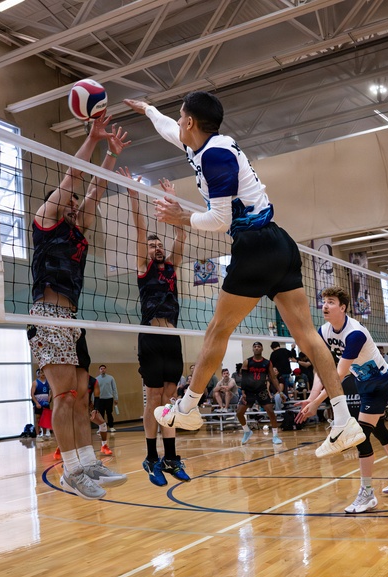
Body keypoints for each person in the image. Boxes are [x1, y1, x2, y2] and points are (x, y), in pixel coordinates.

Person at [123, 92, 363, 455]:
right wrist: (148, 110)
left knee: (218, 330)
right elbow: (169, 130)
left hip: (253, 246)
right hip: (279, 243)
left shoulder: (215, 156)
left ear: (190, 122)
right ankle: (343, 419)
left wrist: (180, 218)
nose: (177, 123)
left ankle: (187, 409)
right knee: (308, 335)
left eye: (180, 116)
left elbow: (219, 220)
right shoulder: (201, 142)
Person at [28, 115, 129, 499]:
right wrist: (92, 139)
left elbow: (96, 189)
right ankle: (72, 470)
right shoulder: (46, 221)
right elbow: (73, 176)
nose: (74, 201)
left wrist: (110, 158)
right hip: (47, 315)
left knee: (82, 396)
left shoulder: (78, 228)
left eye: (74, 200)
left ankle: (88, 462)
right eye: (70, 197)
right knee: (64, 397)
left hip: (72, 319)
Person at [297, 287, 388, 513]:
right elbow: (322, 368)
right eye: (324, 302)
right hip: (363, 382)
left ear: (343, 307)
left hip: (379, 383)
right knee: (378, 429)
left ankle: (367, 493)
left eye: (331, 302)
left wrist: (318, 403)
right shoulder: (324, 331)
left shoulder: (355, 334)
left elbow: (338, 375)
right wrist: (311, 398)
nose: (325, 306)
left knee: (360, 435)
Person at [124, 172, 190, 487]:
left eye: (158, 244)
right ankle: (151, 457)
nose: (156, 248)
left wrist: (173, 200)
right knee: (153, 398)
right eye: (152, 246)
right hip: (150, 336)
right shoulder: (143, 268)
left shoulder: (172, 267)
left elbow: (182, 234)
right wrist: (134, 197)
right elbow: (138, 230)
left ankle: (171, 458)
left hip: (172, 338)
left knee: (169, 398)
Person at [236, 342, 284, 447]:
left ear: (262, 349)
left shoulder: (267, 363)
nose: (257, 348)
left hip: (261, 390)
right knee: (239, 413)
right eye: (255, 346)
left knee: (271, 412)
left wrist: (280, 392)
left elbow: (273, 378)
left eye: (259, 346)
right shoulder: (247, 362)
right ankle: (247, 431)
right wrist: (243, 391)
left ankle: (275, 436)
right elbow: (243, 378)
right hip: (249, 391)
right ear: (252, 349)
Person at [93, 364, 118, 433]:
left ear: (105, 369)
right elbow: (94, 390)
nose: (103, 370)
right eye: (101, 369)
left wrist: (116, 398)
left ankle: (111, 427)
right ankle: (101, 428)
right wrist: (94, 400)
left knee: (109, 413)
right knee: (101, 414)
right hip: (100, 399)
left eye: (104, 368)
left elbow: (114, 388)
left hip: (109, 398)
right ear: (99, 370)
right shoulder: (96, 379)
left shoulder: (111, 378)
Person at [31, 368, 53, 439]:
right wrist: (36, 403)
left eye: (44, 372)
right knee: (38, 419)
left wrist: (50, 396)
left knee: (45, 419)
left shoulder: (48, 382)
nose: (42, 374)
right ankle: (38, 435)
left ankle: (44, 434)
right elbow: (32, 394)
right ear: (39, 374)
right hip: (38, 403)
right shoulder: (35, 382)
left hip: (45, 403)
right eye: (41, 372)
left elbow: (52, 390)